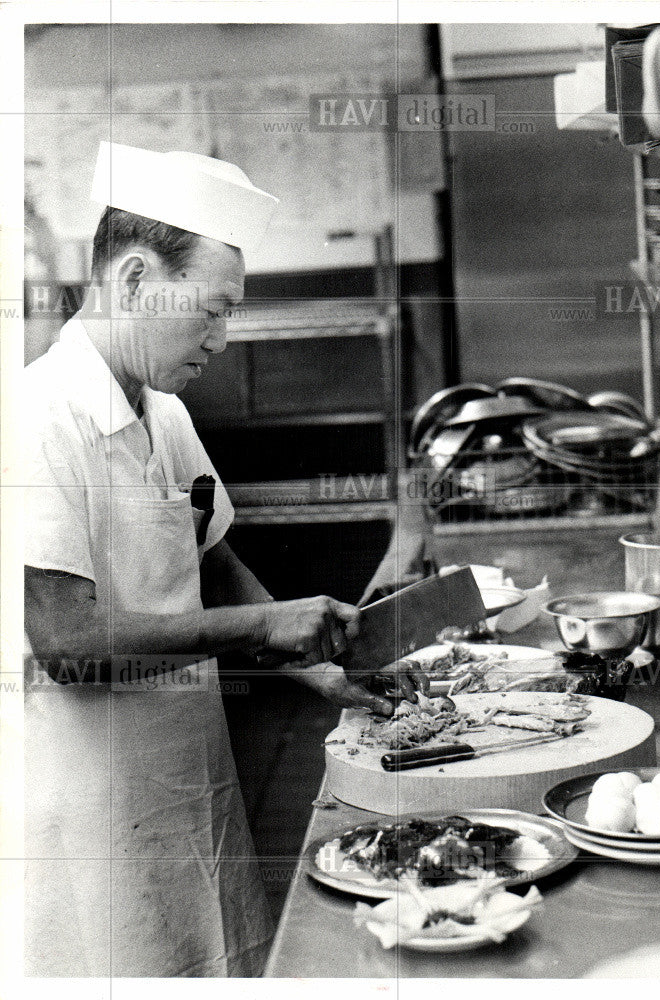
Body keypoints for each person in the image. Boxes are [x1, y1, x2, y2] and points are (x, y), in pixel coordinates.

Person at [22, 141, 425, 977]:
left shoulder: (162, 413)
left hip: (185, 783)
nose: (222, 337)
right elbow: (65, 643)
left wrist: (316, 670)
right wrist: (268, 622)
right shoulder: (35, 420)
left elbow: (211, 558)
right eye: (210, 310)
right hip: (89, 808)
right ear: (134, 281)